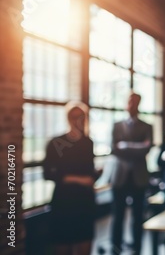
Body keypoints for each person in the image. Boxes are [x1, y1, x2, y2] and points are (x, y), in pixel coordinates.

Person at [43, 101, 98, 255]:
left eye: (82, 117)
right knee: (62, 245)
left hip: (84, 202)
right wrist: (78, 179)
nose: (78, 121)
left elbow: (89, 171)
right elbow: (48, 173)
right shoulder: (55, 143)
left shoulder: (88, 143)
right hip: (64, 202)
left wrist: (95, 175)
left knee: (84, 245)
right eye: (75, 117)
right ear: (68, 119)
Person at [110, 92, 153, 254]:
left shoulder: (147, 126)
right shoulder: (116, 125)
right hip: (120, 176)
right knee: (117, 215)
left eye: (134, 102)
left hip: (139, 177)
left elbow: (147, 148)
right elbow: (114, 149)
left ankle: (137, 248)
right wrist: (137, 147)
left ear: (139, 104)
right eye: (129, 102)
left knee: (137, 215)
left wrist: (125, 146)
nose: (131, 105)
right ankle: (115, 246)